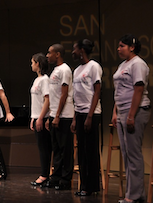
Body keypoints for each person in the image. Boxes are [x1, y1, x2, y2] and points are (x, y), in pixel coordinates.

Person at [112, 34, 150, 203]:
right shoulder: (123, 65)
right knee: (127, 153)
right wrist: (115, 112)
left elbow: (139, 89)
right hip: (122, 111)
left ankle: (134, 196)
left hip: (135, 111)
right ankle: (135, 194)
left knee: (134, 154)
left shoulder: (138, 64)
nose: (119, 49)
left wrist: (131, 116)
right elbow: (119, 90)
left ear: (132, 47)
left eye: (122, 46)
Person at [71, 39, 102, 196]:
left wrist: (90, 116)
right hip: (80, 112)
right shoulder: (76, 70)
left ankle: (93, 186)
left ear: (82, 50)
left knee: (90, 150)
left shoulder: (94, 66)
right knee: (82, 151)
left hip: (92, 113)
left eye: (75, 49)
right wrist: (76, 118)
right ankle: (84, 186)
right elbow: (76, 95)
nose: (73, 52)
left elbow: (97, 91)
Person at [45, 44, 74, 190]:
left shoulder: (65, 70)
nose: (47, 55)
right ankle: (55, 177)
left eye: (49, 53)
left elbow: (64, 94)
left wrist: (57, 116)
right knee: (56, 148)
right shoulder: (55, 70)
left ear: (57, 54)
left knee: (65, 149)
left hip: (65, 115)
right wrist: (50, 115)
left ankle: (65, 179)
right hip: (55, 114)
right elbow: (53, 95)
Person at [29, 53, 52, 187]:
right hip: (37, 117)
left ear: (38, 63)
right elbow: (36, 102)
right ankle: (44, 174)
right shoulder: (36, 80)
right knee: (41, 147)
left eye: (32, 62)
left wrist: (41, 118)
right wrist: (33, 118)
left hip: (43, 117)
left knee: (44, 147)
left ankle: (44, 175)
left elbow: (47, 100)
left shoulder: (45, 80)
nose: (31, 65)